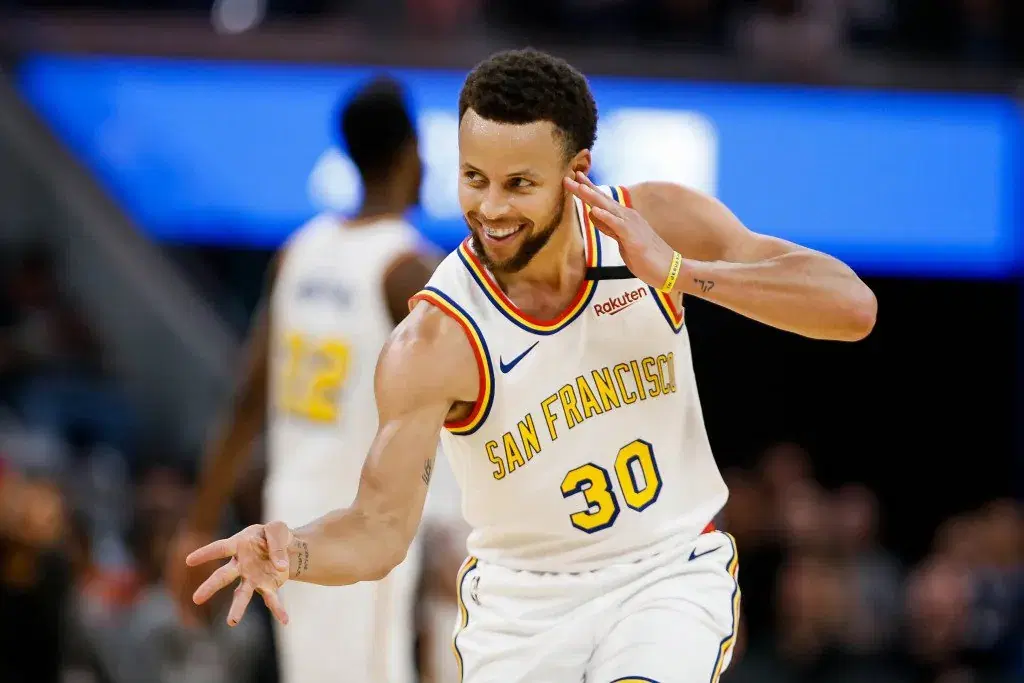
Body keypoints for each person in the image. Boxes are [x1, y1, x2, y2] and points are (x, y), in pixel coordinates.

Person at [185, 48, 877, 682]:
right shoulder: (434, 338)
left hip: (665, 573)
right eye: (473, 178)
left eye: (518, 183)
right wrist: (292, 550)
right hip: (522, 607)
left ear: (577, 174)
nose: (490, 207)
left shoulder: (656, 221)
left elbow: (852, 308)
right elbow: (378, 528)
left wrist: (677, 272)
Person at [167, 76, 437, 683]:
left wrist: (198, 520)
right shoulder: (406, 267)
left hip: (286, 514)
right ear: (411, 154)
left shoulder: (298, 251)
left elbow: (245, 400)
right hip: (358, 526)